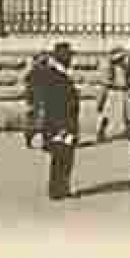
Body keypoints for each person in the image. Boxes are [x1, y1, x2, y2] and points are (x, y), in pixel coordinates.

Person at [39, 42, 80, 201]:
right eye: (69, 56)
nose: (71, 60)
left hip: (65, 123)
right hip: (60, 124)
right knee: (60, 156)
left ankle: (62, 187)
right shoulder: (54, 75)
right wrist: (61, 126)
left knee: (66, 156)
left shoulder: (60, 73)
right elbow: (55, 103)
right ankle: (57, 189)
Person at [95, 47, 128, 143]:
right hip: (111, 92)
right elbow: (106, 83)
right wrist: (102, 97)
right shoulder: (110, 68)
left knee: (115, 114)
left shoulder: (121, 67)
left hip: (118, 91)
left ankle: (103, 133)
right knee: (105, 114)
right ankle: (100, 133)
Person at [23, 53, 51, 148]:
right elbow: (28, 88)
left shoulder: (48, 72)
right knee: (33, 123)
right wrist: (29, 101)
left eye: (45, 62)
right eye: (43, 62)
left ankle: (46, 142)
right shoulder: (32, 73)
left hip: (45, 100)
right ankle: (29, 140)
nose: (45, 64)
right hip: (36, 101)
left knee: (46, 123)